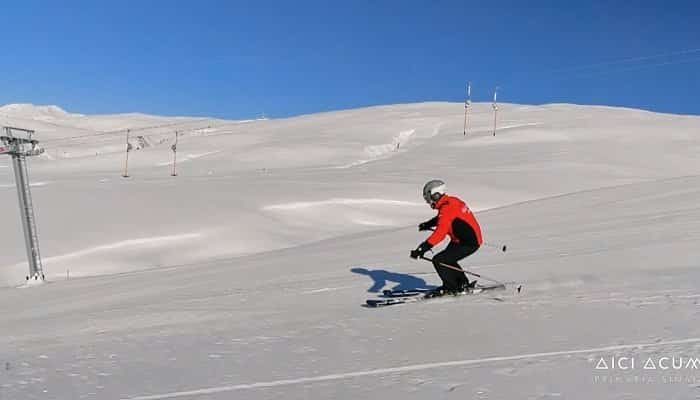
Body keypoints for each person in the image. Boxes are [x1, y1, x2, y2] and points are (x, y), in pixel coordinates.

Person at [410, 179, 483, 295]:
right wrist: (428, 224)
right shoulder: (451, 201)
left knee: (439, 260)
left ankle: (451, 287)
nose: (428, 202)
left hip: (468, 242)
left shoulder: (447, 208)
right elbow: (443, 218)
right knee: (447, 259)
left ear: (435, 195)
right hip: (462, 240)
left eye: (428, 198)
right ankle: (461, 283)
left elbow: (440, 233)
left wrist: (422, 249)